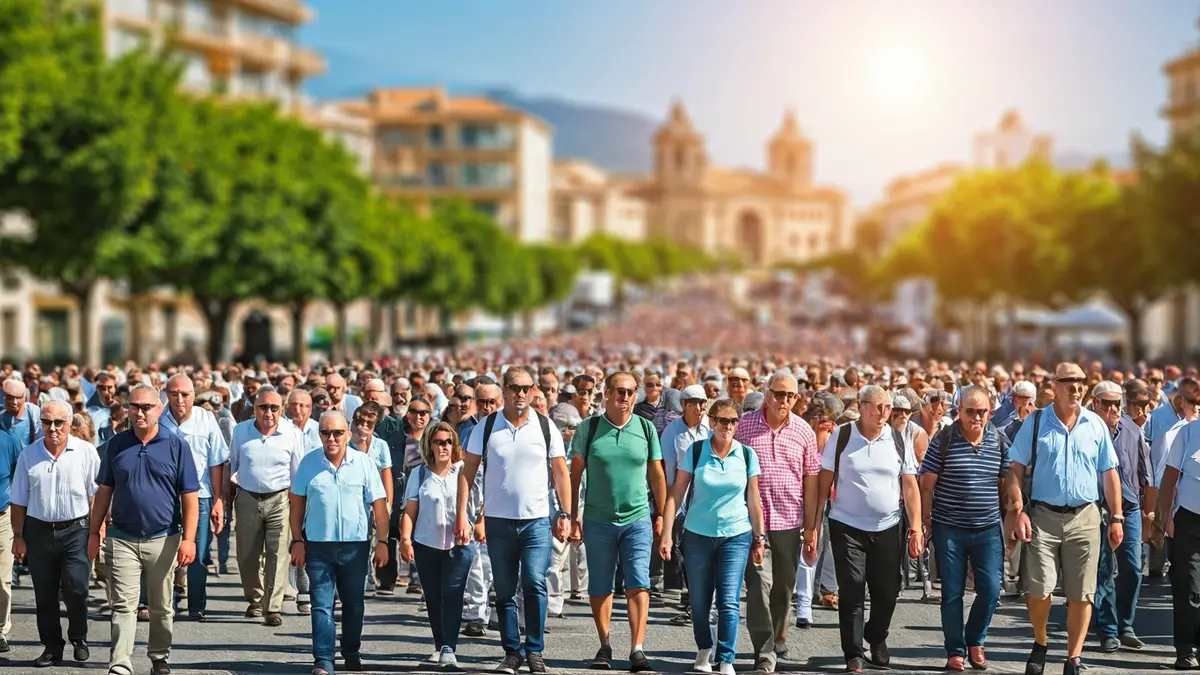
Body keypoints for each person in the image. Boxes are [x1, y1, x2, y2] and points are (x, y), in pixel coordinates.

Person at [1006, 363, 1125, 675]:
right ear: (1054, 386)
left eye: (1080, 382)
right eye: (1068, 382)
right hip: (1043, 515)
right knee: (1038, 589)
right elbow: (1015, 467)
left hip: (1085, 516)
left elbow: (1109, 473)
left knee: (1082, 593)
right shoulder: (1035, 422)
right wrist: (1017, 509)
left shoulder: (1096, 425)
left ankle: (1073, 658)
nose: (1076, 388)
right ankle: (1041, 641)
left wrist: (1117, 517)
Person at [456, 367, 570, 675]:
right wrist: (463, 515)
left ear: (534, 391)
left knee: (534, 582)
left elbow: (560, 472)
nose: (521, 394)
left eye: (526, 388)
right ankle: (511, 651)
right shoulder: (487, 426)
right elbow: (467, 473)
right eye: (515, 388)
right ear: (504, 390)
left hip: (536, 521)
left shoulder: (545, 427)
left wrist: (566, 513)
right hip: (498, 520)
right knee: (504, 590)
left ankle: (534, 649)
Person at [805, 385, 924, 674]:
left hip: (888, 526)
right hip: (846, 525)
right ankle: (854, 652)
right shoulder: (843, 436)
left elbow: (909, 484)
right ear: (862, 406)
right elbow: (824, 484)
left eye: (888, 407)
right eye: (878, 406)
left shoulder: (897, 439)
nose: (884, 412)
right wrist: (814, 526)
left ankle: (876, 636)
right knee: (852, 588)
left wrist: (917, 528)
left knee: (887, 591)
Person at [88, 384, 199, 675]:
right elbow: (104, 490)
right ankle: (120, 663)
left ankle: (159, 657)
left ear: (159, 409)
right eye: (134, 406)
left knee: (162, 606)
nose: (139, 412)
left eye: (147, 407)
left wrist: (189, 539)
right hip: (122, 537)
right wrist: (93, 531)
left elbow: (189, 496)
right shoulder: (117, 444)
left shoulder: (176, 445)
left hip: (164, 538)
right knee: (123, 605)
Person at [569, 371, 667, 673]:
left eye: (630, 391)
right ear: (606, 394)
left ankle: (637, 648)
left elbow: (656, 474)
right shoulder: (589, 428)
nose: (624, 397)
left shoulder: (646, 428)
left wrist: (663, 515)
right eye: (619, 391)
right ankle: (605, 643)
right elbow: (574, 476)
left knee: (638, 582)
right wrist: (572, 516)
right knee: (600, 585)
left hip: (637, 517)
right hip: (598, 518)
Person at [660, 399, 765, 675]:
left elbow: (753, 499)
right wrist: (667, 534)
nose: (727, 426)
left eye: (733, 421)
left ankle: (726, 657)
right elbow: (676, 494)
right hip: (697, 536)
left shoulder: (746, 455)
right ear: (712, 422)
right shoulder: (696, 452)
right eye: (722, 420)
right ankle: (704, 648)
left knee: (728, 600)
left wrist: (759, 536)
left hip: (735, 534)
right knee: (699, 601)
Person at [289, 411, 389, 675]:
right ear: (319, 434)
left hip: (356, 546)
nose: (331, 438)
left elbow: (379, 505)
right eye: (325, 433)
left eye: (337, 433)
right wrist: (297, 540)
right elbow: (297, 504)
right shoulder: (309, 463)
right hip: (319, 546)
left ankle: (351, 652)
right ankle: (323, 660)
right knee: (321, 604)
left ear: (348, 433)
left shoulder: (364, 463)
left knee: (354, 603)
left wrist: (382, 541)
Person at [919, 386, 1010, 671]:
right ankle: (955, 650)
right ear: (959, 411)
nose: (976, 417)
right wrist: (925, 520)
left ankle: (975, 639)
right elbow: (927, 482)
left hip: (987, 527)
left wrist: (1013, 513)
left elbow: (1006, 481)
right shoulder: (944, 439)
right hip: (950, 528)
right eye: (970, 411)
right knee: (952, 592)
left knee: (992, 590)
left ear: (989, 412)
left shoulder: (998, 440)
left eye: (982, 412)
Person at [734, 372, 819, 672]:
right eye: (779, 394)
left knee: (783, 588)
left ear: (797, 398)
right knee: (757, 584)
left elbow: (811, 482)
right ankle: (765, 649)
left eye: (790, 395)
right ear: (767, 394)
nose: (784, 400)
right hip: (752, 521)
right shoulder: (744, 427)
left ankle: (778, 633)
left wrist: (811, 528)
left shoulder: (804, 431)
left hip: (789, 519)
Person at [10, 400, 98, 667]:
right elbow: (19, 500)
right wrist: (18, 535)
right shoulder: (29, 454)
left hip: (76, 530)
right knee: (45, 593)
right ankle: (51, 645)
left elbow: (96, 496)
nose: (53, 428)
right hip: (38, 530)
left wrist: (97, 531)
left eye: (59, 422)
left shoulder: (85, 452)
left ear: (70, 423)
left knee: (76, 587)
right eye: (47, 422)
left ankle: (78, 637)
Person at [401, 422, 479, 668]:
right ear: (430, 445)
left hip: (460, 544)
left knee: (453, 594)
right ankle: (439, 644)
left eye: (448, 442)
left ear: (454, 445)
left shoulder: (464, 471)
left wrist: (477, 525)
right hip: (426, 543)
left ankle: (449, 647)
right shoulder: (419, 473)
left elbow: (481, 503)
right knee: (433, 597)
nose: (443, 446)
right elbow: (409, 511)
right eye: (438, 442)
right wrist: (405, 539)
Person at [228, 386, 306, 626]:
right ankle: (255, 600)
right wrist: (225, 501)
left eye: (274, 407)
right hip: (248, 496)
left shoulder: (292, 434)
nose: (269, 413)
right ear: (255, 409)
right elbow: (233, 467)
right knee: (248, 554)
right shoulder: (241, 432)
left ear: (281, 409)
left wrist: (299, 510)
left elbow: (298, 474)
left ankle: (273, 607)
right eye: (263, 407)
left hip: (280, 498)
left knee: (278, 553)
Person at [1089, 381, 1154, 653]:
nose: (1113, 408)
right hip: (1095, 507)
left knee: (1132, 569)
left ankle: (1126, 624)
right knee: (1102, 570)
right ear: (1095, 404)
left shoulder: (1132, 430)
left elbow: (1145, 473)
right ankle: (1108, 629)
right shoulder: (1085, 428)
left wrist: (1149, 513)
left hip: (1128, 508)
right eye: (1107, 403)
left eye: (1118, 403)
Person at [160, 374, 228, 621]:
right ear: (166, 393)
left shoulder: (206, 419)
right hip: (164, 496)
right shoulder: (158, 418)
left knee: (198, 553)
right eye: (174, 393)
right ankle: (165, 600)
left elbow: (216, 461)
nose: (180, 399)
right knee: (163, 550)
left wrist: (219, 500)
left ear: (193, 395)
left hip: (200, 495)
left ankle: (196, 604)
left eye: (185, 394)